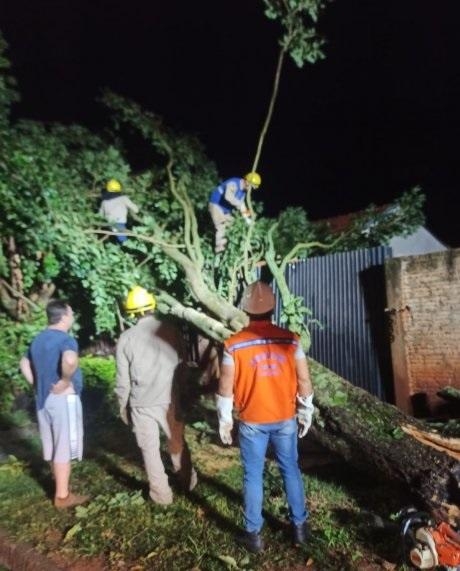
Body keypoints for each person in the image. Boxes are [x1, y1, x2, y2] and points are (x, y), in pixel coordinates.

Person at [216, 281, 314, 553]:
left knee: (252, 476)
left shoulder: (233, 345)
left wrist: (225, 419)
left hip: (252, 422)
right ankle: (299, 529)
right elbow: (304, 379)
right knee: (291, 470)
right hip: (285, 419)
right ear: (272, 308)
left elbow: (225, 387)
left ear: (246, 310)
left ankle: (253, 536)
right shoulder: (292, 340)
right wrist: (305, 411)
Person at [115, 286, 197, 505]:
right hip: (171, 398)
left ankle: (161, 496)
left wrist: (123, 407)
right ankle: (188, 482)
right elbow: (183, 366)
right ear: (152, 305)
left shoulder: (126, 338)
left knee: (149, 450)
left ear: (131, 312)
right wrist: (183, 394)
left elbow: (122, 381)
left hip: (142, 403)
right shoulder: (172, 331)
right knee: (177, 442)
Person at [19, 300, 89, 509]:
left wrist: (35, 384)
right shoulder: (65, 339)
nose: (73, 316)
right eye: (71, 312)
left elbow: (23, 363)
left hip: (43, 400)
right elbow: (69, 360)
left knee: (54, 445)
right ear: (64, 316)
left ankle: (61, 486)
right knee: (64, 447)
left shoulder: (38, 340)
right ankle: (62, 496)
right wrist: (66, 380)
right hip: (62, 399)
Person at [208, 172, 261, 253]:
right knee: (222, 224)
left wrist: (247, 219)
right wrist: (239, 204)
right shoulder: (234, 183)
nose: (251, 190)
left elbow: (242, 206)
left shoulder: (243, 193)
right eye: (252, 187)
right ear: (247, 182)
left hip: (225, 210)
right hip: (216, 205)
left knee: (232, 224)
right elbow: (228, 197)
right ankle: (219, 247)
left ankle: (227, 246)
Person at [99, 178, 140, 243]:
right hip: (119, 223)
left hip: (110, 224)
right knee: (124, 242)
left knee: (117, 240)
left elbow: (100, 215)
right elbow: (136, 210)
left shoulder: (104, 201)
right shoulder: (123, 198)